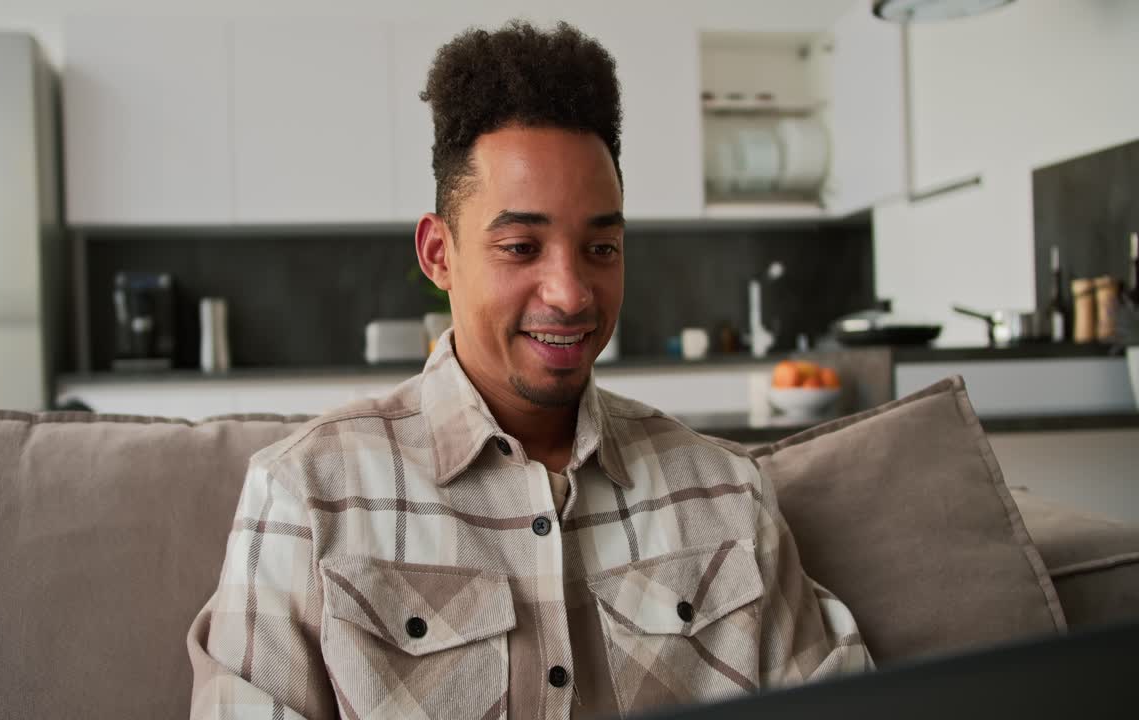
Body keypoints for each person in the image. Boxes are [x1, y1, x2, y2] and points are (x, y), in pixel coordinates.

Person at [188, 20, 871, 719]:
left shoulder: (729, 497)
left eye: (601, 248)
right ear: (438, 254)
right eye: (520, 246)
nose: (571, 293)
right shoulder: (304, 498)